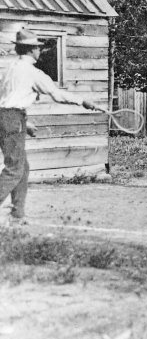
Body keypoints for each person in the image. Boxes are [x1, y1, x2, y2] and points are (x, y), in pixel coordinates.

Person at [0, 29, 101, 222]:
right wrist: (84, 102)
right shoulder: (32, 72)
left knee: (22, 166)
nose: (40, 51)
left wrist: (24, 122)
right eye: (38, 47)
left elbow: (7, 100)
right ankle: (16, 214)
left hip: (8, 117)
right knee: (14, 169)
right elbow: (57, 94)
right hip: (12, 118)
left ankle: (17, 214)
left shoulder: (10, 69)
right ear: (31, 50)